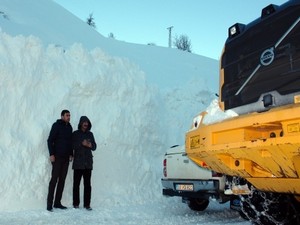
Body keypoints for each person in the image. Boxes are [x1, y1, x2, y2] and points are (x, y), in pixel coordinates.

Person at [46, 110, 73, 212]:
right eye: (67, 115)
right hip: (57, 157)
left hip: (66, 158)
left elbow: (70, 142)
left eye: (69, 115)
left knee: (62, 181)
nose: (69, 117)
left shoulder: (69, 127)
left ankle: (57, 203)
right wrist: (51, 154)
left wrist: (71, 153)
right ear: (62, 116)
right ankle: (49, 204)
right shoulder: (56, 125)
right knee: (54, 180)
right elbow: (50, 140)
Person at [72, 116, 97, 210]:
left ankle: (87, 204)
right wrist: (81, 144)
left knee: (87, 185)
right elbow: (72, 145)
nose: (86, 124)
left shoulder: (90, 134)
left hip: (88, 163)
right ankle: (76, 204)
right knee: (76, 185)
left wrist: (90, 145)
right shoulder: (75, 134)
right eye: (84, 122)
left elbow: (94, 147)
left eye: (87, 122)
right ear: (80, 123)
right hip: (78, 163)